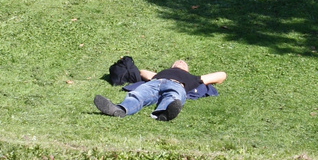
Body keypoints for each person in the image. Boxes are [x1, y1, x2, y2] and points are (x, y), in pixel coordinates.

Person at [93, 59, 226, 122]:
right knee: (138, 94)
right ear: (171, 66)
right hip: (155, 83)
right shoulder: (161, 73)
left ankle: (164, 113)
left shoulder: (194, 78)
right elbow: (143, 72)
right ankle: (120, 109)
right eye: (177, 62)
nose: (181, 62)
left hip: (177, 85)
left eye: (184, 63)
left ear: (187, 70)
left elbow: (222, 75)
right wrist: (159, 75)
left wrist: (201, 79)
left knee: (173, 97)